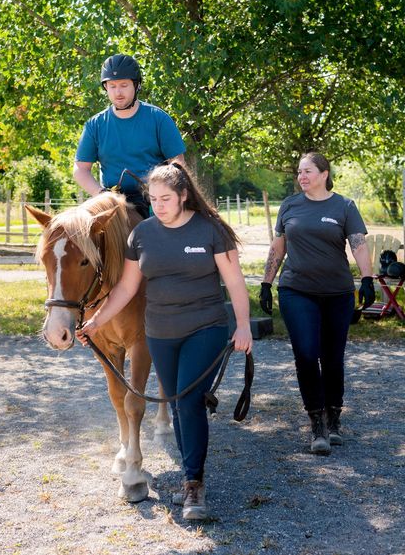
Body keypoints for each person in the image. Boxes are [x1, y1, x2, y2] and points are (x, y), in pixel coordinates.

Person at [77, 162, 253, 519]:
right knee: (175, 405)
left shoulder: (211, 230)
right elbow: (126, 288)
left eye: (166, 198)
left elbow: (235, 282)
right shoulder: (141, 235)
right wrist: (95, 322)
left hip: (205, 328)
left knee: (188, 400)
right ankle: (191, 479)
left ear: (184, 195)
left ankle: (194, 486)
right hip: (159, 332)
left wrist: (244, 325)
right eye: (153, 199)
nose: (159, 205)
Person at [259, 152, 375, 455]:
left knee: (333, 357)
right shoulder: (290, 206)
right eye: (299, 172)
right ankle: (316, 424)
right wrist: (266, 283)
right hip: (296, 290)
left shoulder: (345, 206)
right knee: (307, 354)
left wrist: (367, 279)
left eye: (308, 171)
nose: (302, 177)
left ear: (324, 174)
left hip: (337, 293)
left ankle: (333, 418)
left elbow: (358, 244)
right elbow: (278, 247)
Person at [73, 53, 186, 218]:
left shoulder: (159, 118)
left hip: (153, 199)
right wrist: (101, 194)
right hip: (112, 199)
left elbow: (178, 163)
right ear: (106, 88)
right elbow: (80, 169)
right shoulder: (94, 125)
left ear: (136, 85)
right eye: (112, 86)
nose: (118, 92)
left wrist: (163, 193)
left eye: (124, 85)